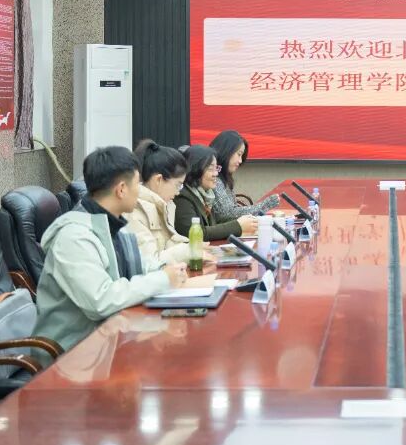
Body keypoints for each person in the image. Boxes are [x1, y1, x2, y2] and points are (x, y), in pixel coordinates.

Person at [34, 146, 187, 354]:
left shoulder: (113, 225)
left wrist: (165, 269)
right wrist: (163, 279)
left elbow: (135, 265)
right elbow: (101, 301)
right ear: (121, 189)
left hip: (110, 338)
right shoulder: (74, 237)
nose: (140, 190)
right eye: (137, 184)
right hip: (73, 353)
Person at [127, 140, 215, 267]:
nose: (178, 192)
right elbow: (150, 262)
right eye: (178, 185)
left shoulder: (163, 206)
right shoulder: (134, 211)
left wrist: (193, 246)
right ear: (158, 180)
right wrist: (188, 251)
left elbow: (168, 242)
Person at [173, 145, 259, 241]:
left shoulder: (207, 195)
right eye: (210, 169)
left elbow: (215, 224)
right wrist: (238, 226)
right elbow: (195, 233)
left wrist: (246, 225)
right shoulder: (182, 196)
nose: (216, 174)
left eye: (216, 168)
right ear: (195, 169)